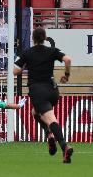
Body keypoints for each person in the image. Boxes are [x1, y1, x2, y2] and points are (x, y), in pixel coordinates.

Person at [13, 28, 73, 163]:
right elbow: (68, 59)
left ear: (33, 39)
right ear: (45, 38)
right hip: (53, 90)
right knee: (35, 112)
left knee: (51, 119)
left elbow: (15, 71)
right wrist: (66, 75)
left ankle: (64, 147)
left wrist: (25, 65)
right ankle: (49, 135)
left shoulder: (27, 53)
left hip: (38, 90)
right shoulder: (52, 50)